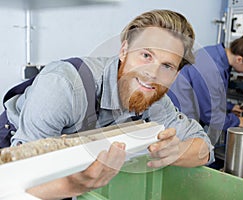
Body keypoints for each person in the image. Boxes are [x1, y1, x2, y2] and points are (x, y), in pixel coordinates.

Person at [3, 9, 214, 199]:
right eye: (146, 55)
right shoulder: (64, 84)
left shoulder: (154, 98)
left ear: (176, 75)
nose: (152, 74)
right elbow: (20, 180)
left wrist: (176, 152)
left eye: (167, 66)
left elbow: (204, 147)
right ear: (124, 51)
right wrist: (75, 185)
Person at [167, 29, 243, 145]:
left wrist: (230, 107)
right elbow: (210, 116)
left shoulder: (214, 53)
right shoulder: (212, 69)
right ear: (239, 59)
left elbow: (210, 96)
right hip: (177, 120)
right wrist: (237, 121)